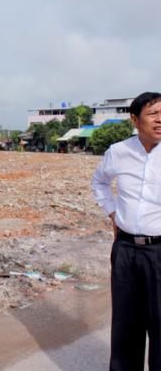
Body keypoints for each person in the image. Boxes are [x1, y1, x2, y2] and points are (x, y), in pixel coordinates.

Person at [92, 91, 161, 371]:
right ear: (135, 119)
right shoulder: (118, 152)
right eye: (153, 114)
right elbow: (99, 182)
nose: (160, 120)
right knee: (125, 326)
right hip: (126, 250)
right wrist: (112, 212)